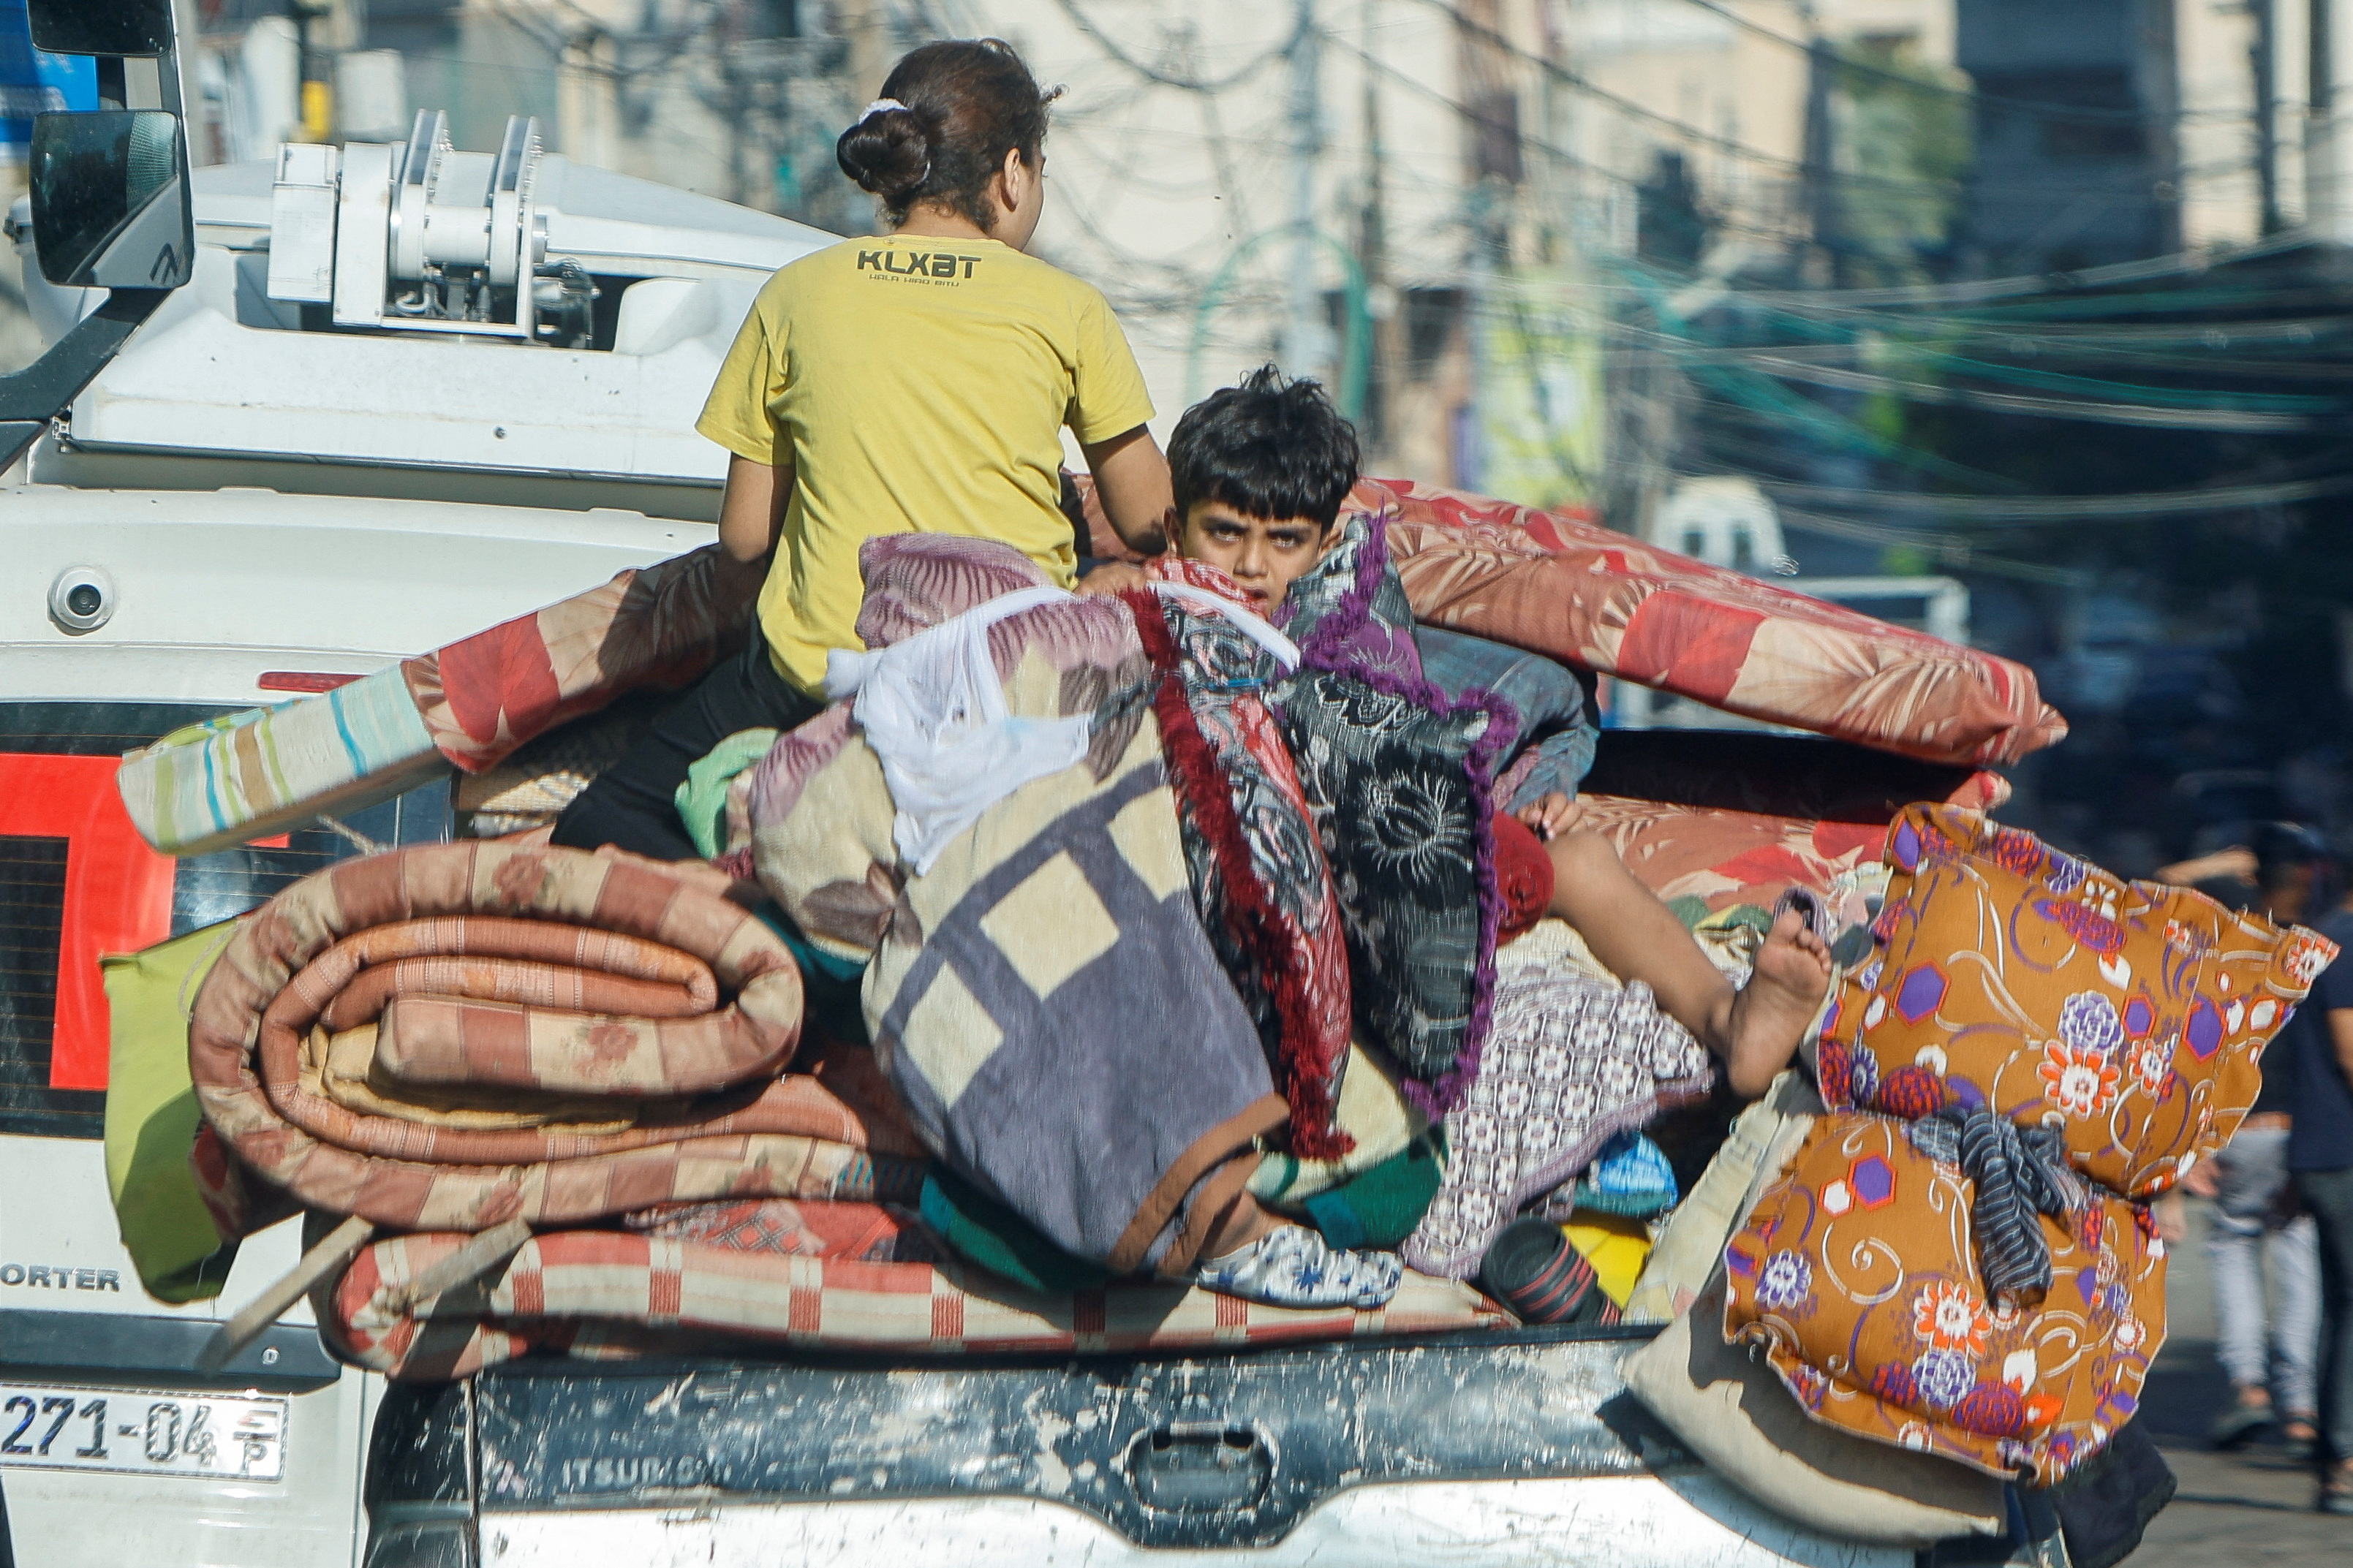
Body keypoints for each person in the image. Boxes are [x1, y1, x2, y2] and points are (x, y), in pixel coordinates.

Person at [1081, 368, 1832, 1103]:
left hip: (1384, 874)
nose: (1250, 566)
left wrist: (1521, 804)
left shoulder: (1352, 623)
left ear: (1323, 546)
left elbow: (1414, 738)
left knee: (1574, 858)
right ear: (1177, 531)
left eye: (1283, 540)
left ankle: (1730, 1021)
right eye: (1224, 533)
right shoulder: (1153, 607)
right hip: (1241, 879)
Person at [555, 38, 1171, 861]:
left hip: (814, 675)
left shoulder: (799, 291)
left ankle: (743, 905)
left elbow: (743, 539)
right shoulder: (1066, 309)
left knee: (596, 823)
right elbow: (1148, 519)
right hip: (1001, 688)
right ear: (1014, 173)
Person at [2167, 825, 2325, 1453]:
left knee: (2233, 1249)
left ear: (2254, 876)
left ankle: (2250, 1388)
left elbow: (2150, 890)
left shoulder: (2224, 946)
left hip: (2233, 1132)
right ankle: (2303, 1407)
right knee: (2299, 1256)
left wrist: (2214, 861)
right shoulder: (2320, 949)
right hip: (2300, 1133)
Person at [2286, 858, 2353, 1514]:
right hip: (2344, 1153)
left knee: (2341, 1307)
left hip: (2320, 1149)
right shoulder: (2348, 943)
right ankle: (2343, 1460)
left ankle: (2335, 1455)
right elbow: (2350, 1050)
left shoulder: (2323, 938)